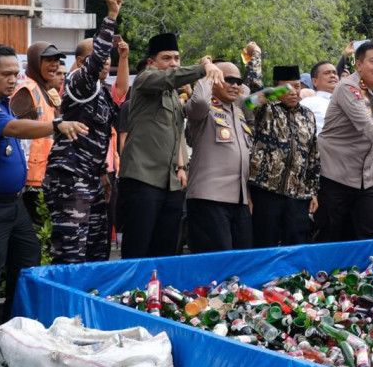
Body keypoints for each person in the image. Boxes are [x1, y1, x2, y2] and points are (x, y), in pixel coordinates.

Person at [0, 44, 88, 330]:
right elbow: (15, 128)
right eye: (6, 74)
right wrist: (56, 125)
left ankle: (15, 328)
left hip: (12, 204)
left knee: (27, 262)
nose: (13, 80)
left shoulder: (4, 102)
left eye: (16, 74)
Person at [44, 0, 129, 263]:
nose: (106, 61)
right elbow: (97, 56)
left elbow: (107, 125)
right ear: (82, 61)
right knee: (71, 252)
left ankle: (88, 302)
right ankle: (64, 307)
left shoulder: (101, 91)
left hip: (92, 177)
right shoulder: (80, 81)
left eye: (108, 59)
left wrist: (104, 173)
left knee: (97, 251)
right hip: (70, 176)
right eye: (99, 58)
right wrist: (111, 15)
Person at [118, 34, 223, 258]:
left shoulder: (174, 94)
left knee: (166, 251)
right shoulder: (144, 79)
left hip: (171, 183)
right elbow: (168, 78)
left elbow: (177, 133)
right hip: (142, 178)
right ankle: (132, 293)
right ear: (150, 62)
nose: (173, 63)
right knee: (137, 249)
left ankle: (159, 293)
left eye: (176, 58)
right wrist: (203, 67)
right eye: (166, 58)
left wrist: (182, 167)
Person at [316, 42, 373, 242]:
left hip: (368, 178)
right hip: (336, 174)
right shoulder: (347, 87)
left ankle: (368, 274)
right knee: (331, 235)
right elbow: (366, 124)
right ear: (359, 65)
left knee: (371, 235)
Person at [185, 60, 255, 252]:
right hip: (209, 198)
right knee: (216, 261)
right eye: (228, 79)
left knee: (242, 260)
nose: (235, 85)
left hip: (239, 199)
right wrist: (207, 72)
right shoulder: (204, 110)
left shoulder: (239, 112)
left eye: (238, 81)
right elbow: (198, 101)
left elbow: (256, 95)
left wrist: (247, 195)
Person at [249, 66, 320, 247]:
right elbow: (253, 93)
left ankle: (294, 277)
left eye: (296, 87)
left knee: (296, 243)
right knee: (265, 242)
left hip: (298, 193)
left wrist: (312, 192)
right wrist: (254, 57)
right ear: (275, 88)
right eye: (286, 87)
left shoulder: (307, 115)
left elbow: (313, 155)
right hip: (266, 190)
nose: (293, 92)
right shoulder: (265, 110)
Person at [10, 41, 65, 224]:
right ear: (35, 62)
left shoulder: (48, 91)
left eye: (57, 60)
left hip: (47, 176)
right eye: (48, 59)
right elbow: (16, 134)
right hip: (31, 182)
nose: (54, 64)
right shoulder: (27, 91)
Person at [300, 61, 338, 134]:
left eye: (335, 73)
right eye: (327, 73)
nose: (333, 75)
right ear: (314, 81)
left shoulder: (346, 101)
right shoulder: (308, 103)